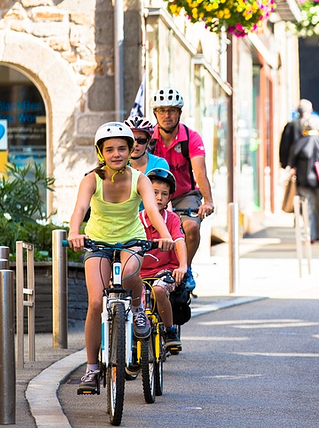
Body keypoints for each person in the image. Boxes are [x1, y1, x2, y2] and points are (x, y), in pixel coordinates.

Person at [68, 122, 174, 394]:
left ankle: (138, 309)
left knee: (129, 275)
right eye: (110, 149)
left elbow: (151, 209)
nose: (116, 154)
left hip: (131, 240)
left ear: (130, 151)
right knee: (94, 302)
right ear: (101, 152)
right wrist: (74, 232)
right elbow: (80, 208)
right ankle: (92, 369)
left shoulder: (141, 179)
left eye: (122, 148)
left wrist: (165, 235)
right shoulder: (91, 179)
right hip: (98, 242)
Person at [148, 88, 214, 291]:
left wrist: (208, 201)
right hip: (154, 194)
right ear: (155, 113)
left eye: (172, 110)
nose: (166, 115)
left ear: (179, 113)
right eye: (161, 111)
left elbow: (200, 171)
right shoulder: (148, 139)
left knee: (191, 227)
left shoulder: (191, 138)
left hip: (184, 195)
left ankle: (186, 268)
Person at [140, 168, 187, 349]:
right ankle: (133, 346)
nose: (159, 198)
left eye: (164, 194)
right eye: (154, 193)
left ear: (169, 198)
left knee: (159, 290)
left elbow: (179, 241)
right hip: (139, 273)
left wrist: (182, 266)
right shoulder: (136, 220)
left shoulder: (172, 219)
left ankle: (169, 330)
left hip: (165, 270)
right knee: (135, 300)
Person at [288, 115, 319, 242]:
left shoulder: (299, 142)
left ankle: (311, 234)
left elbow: (291, 162)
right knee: (318, 205)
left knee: (308, 206)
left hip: (303, 181)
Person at [279, 99, 314, 169]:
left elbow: (285, 146)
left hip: (296, 165)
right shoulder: (315, 126)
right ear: (311, 110)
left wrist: (284, 163)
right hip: (312, 165)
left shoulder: (291, 125)